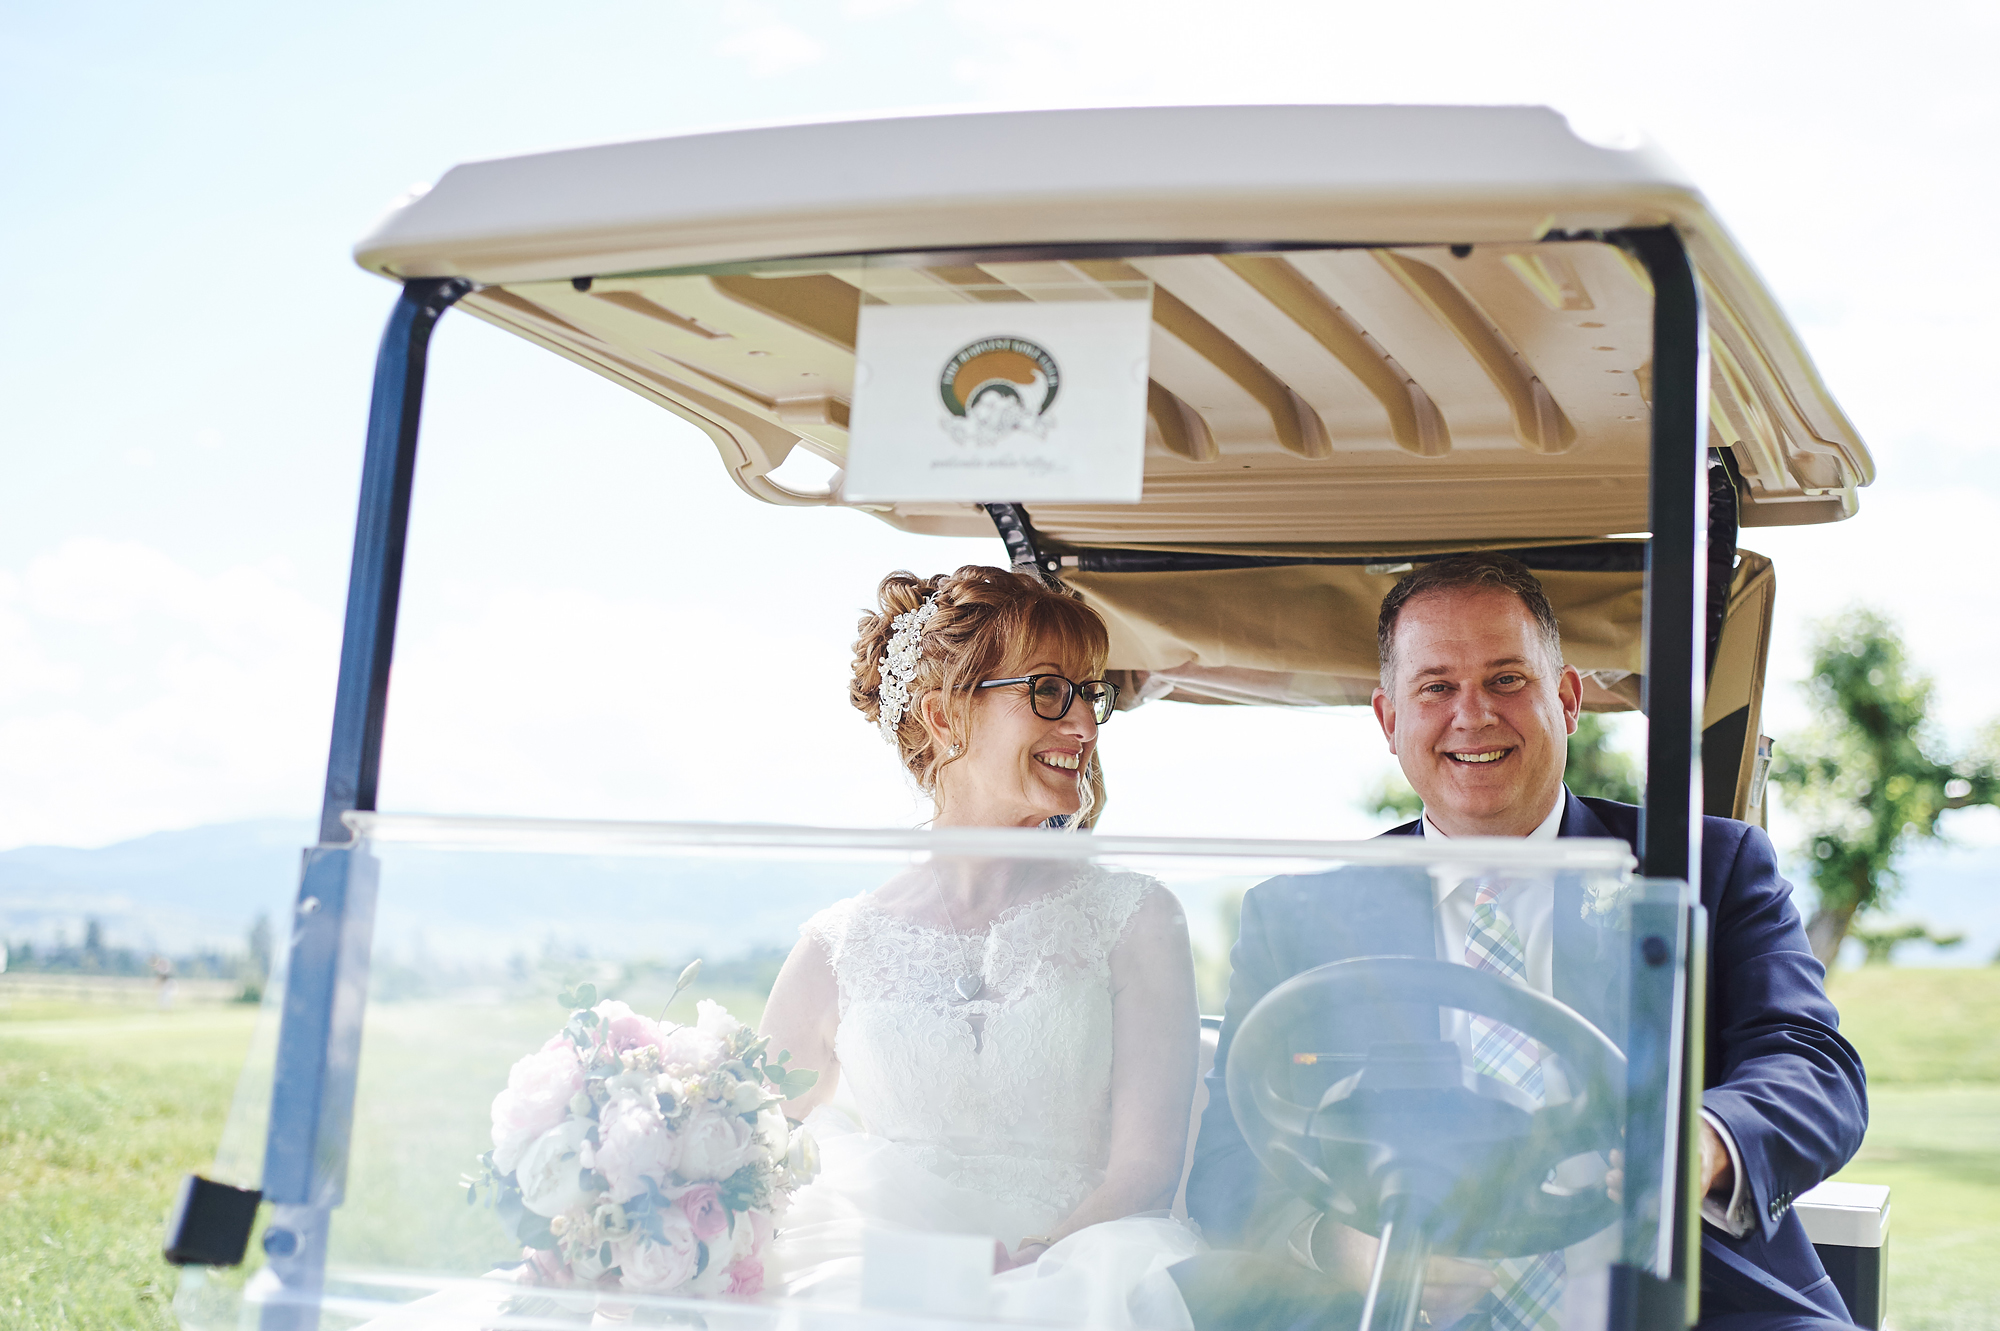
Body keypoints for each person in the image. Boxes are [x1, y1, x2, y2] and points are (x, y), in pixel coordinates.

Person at [1180, 554, 1867, 1331]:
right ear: (1389, 719)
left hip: (1686, 1301)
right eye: (1436, 686)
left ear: (1568, 698)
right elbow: (1229, 1159)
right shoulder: (1300, 914)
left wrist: (1704, 1141)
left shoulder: (1709, 865)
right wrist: (1346, 1249)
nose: (1473, 715)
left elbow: (1811, 1062)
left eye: (1507, 678)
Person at [760, 565, 1204, 1328]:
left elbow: (1146, 1169)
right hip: (888, 1286)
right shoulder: (839, 946)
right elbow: (751, 1149)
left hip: (1078, 1269)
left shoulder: (1136, 917)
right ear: (941, 715)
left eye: (1090, 694)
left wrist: (1025, 1270)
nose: (1086, 727)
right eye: (1049, 690)